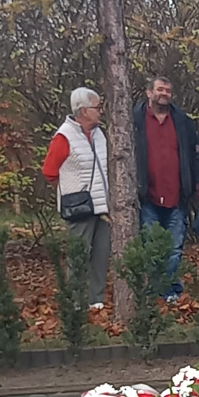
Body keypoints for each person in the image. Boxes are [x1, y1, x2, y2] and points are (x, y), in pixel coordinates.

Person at [133, 75, 199, 302]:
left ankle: (170, 291)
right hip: (148, 196)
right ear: (149, 93)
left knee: (174, 248)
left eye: (168, 90)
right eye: (159, 89)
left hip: (177, 196)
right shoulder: (134, 120)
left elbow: (192, 157)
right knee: (152, 247)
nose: (164, 94)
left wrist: (194, 187)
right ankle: (154, 291)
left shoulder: (182, 121)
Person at [42, 88, 111, 310]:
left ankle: (96, 300)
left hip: (103, 207)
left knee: (101, 255)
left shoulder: (100, 133)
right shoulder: (63, 137)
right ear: (83, 111)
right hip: (78, 208)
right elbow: (50, 171)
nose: (100, 111)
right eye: (97, 107)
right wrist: (70, 191)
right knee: (79, 256)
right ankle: (76, 303)